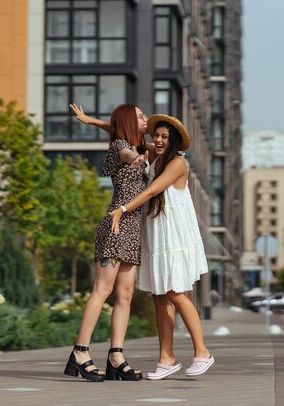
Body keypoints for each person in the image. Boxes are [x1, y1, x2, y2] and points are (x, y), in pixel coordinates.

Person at [110, 114, 214, 380]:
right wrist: (92, 122)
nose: (158, 140)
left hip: (174, 236)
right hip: (157, 234)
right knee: (159, 295)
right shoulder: (154, 157)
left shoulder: (178, 163)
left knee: (176, 292)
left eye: (164, 137)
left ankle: (202, 352)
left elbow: (151, 191)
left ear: (174, 141)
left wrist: (122, 209)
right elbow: (120, 130)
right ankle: (166, 358)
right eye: (156, 135)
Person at [64, 104, 149, 382]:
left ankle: (116, 357)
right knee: (102, 290)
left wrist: (91, 120)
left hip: (133, 230)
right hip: (115, 225)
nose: (145, 118)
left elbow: (113, 127)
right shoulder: (122, 148)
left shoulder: (140, 144)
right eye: (140, 116)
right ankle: (80, 352)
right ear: (128, 122)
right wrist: (135, 158)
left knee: (125, 296)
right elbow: (123, 150)